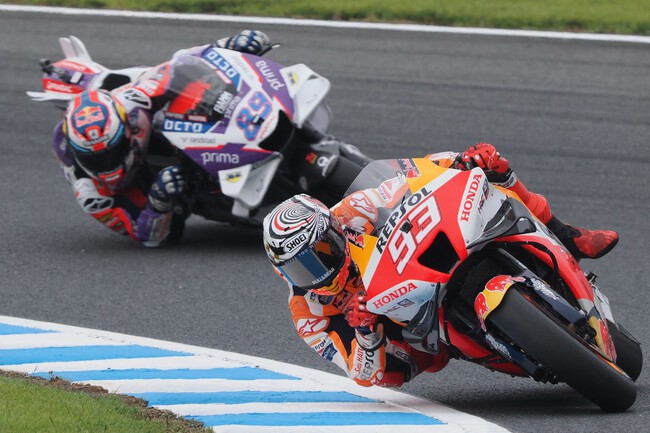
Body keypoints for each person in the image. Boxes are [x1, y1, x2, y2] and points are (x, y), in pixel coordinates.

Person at [262, 143, 619, 387]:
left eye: (323, 250)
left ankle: (567, 235)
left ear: (334, 229)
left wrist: (461, 161)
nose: (320, 269)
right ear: (282, 272)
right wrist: (367, 333)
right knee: (389, 376)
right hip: (406, 326)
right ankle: (479, 343)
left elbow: (410, 178)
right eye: (301, 268)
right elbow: (360, 373)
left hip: (417, 261)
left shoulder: (353, 210)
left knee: (493, 169)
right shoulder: (308, 314)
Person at [52, 30, 274, 247]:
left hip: (167, 126)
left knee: (192, 90)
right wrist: (157, 203)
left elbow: (178, 64)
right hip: (155, 185)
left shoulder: (133, 102)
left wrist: (228, 45)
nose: (106, 165)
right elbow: (142, 235)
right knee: (176, 214)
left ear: (127, 132)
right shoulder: (91, 194)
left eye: (111, 154)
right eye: (95, 159)